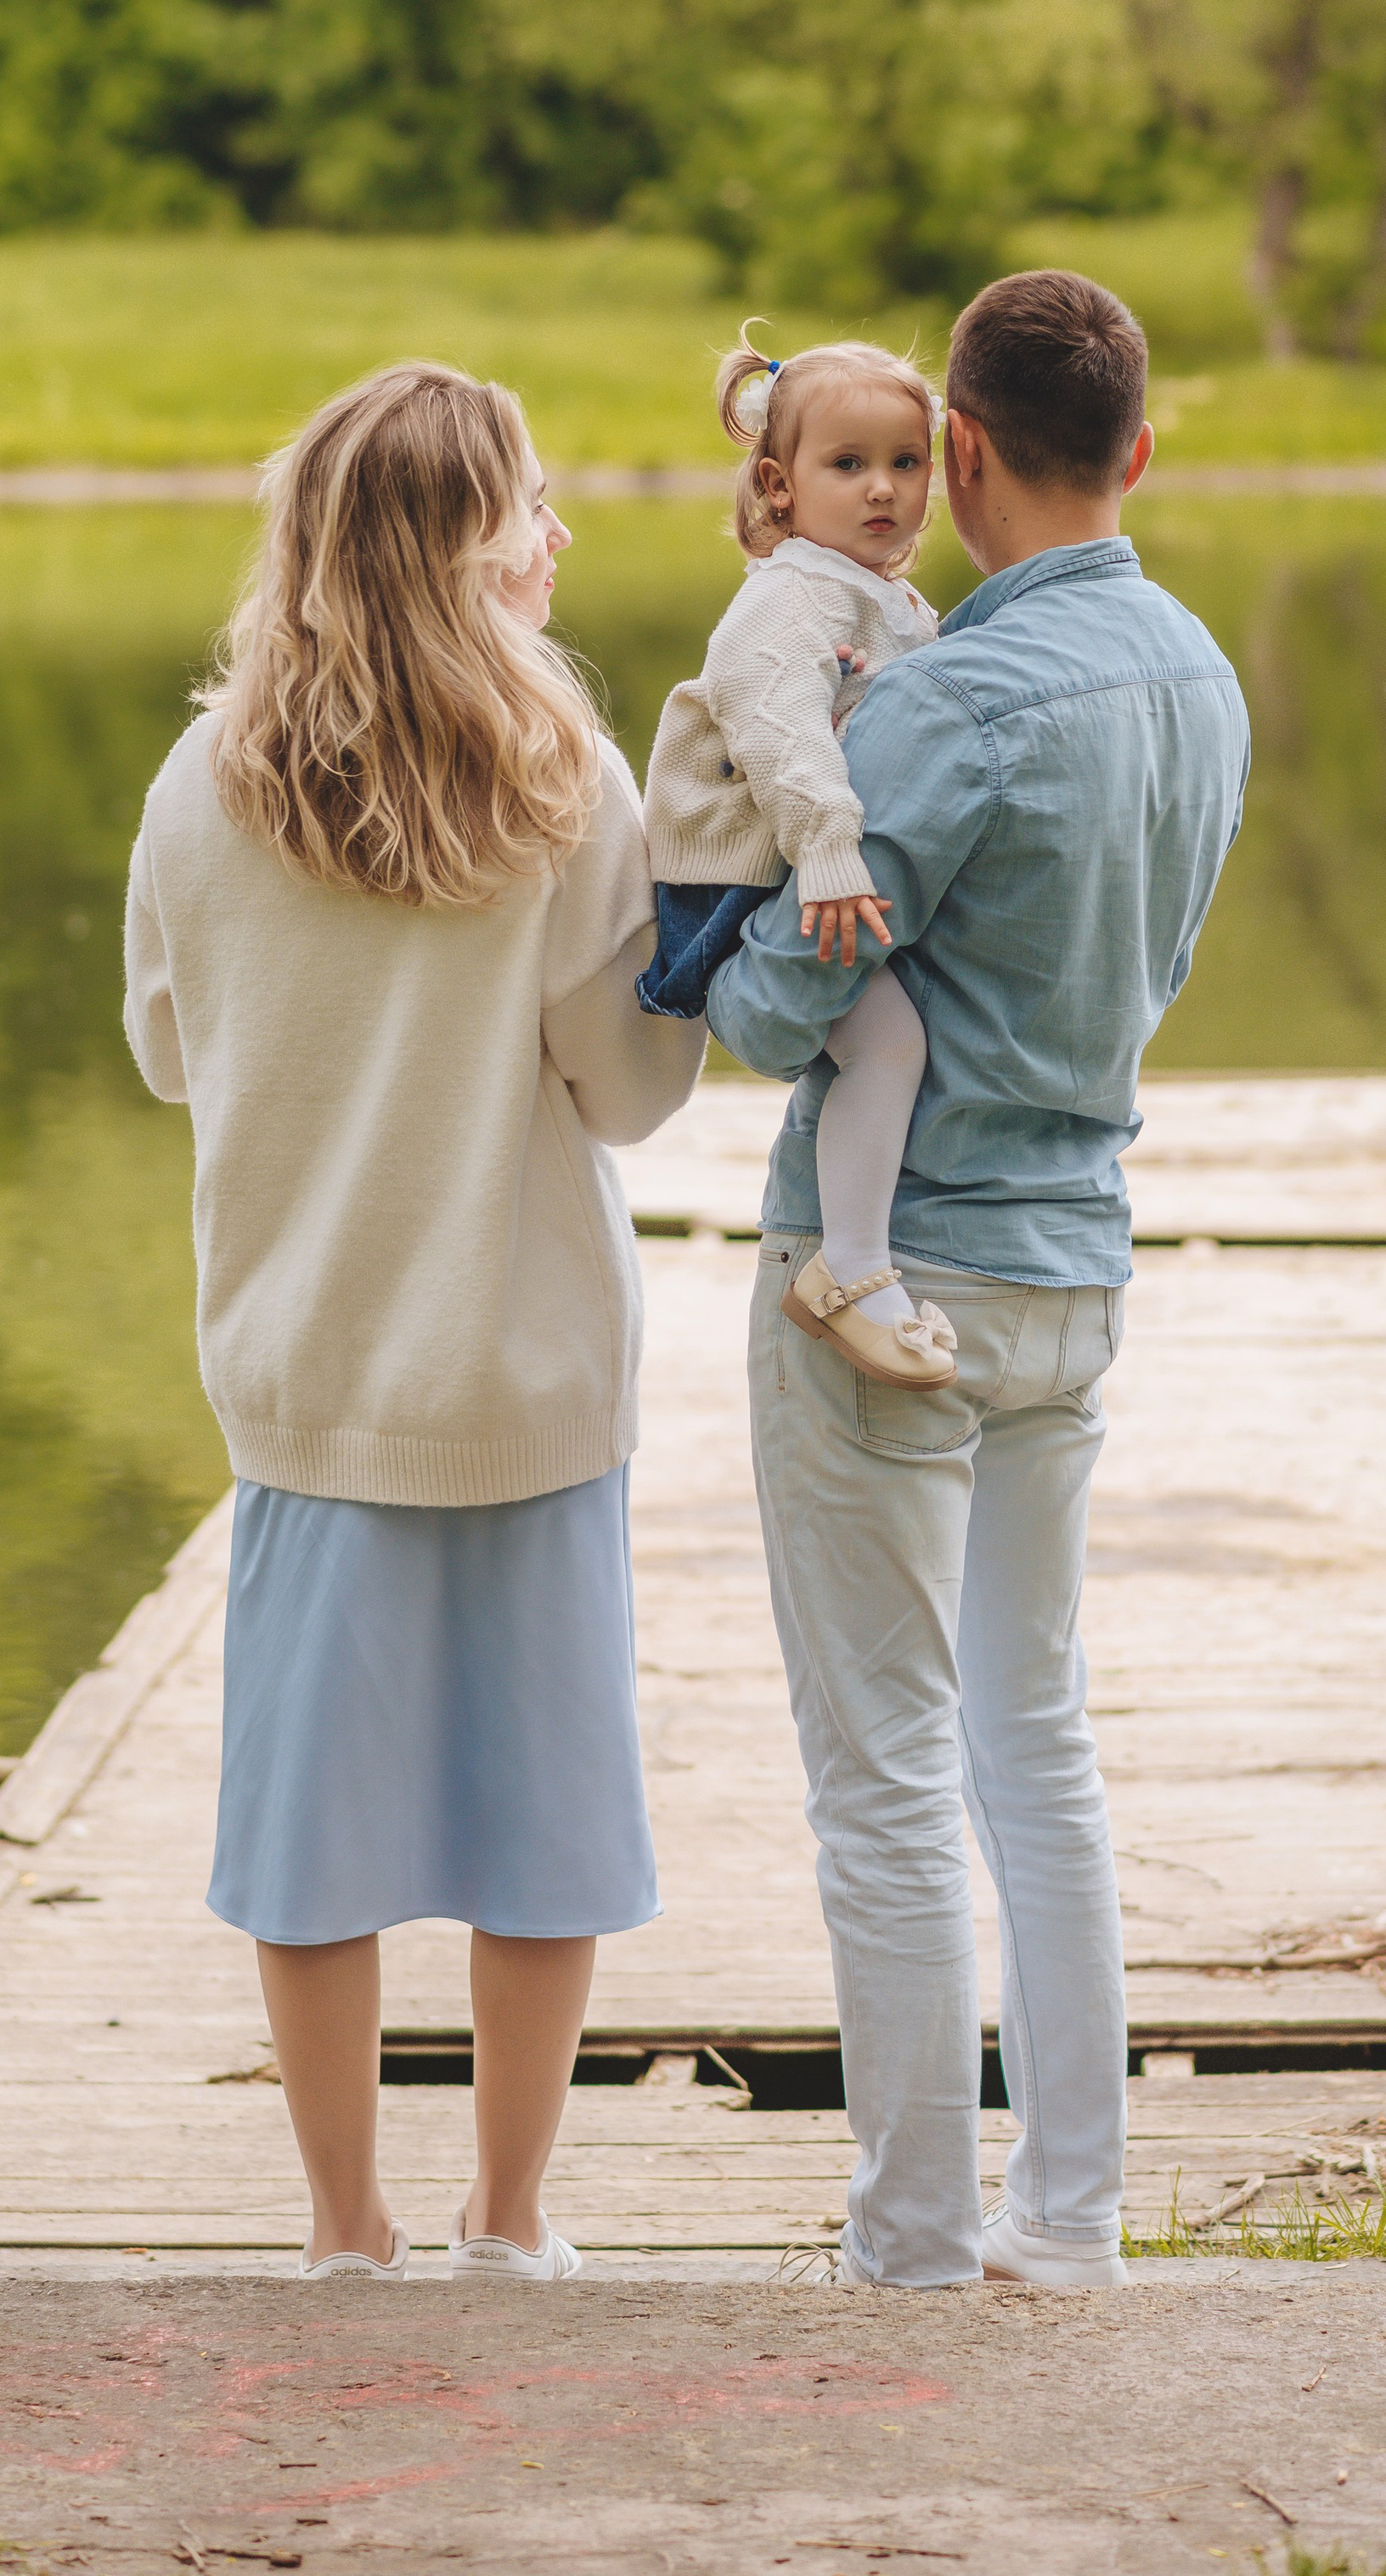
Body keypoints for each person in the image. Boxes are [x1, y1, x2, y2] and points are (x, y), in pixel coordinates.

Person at [122, 362, 703, 2284]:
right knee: (541, 1823)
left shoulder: (205, 780)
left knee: (310, 1832)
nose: (558, 532)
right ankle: (507, 2218)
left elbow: (158, 1047)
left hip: (308, 1382)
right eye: (530, 504)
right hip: (525, 1378)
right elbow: (619, 1092)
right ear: (470, 551)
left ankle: (341, 2225)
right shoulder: (565, 776)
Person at [706, 268, 1249, 2290]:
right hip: (1071, 1264)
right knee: (1038, 1741)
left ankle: (917, 2236)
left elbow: (779, 1006)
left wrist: (728, 917)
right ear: (1135, 447)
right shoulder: (1199, 669)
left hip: (890, 1279)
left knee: (888, 1773)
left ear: (950, 448)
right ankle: (1073, 2217)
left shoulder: (941, 695)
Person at [639, 332, 955, 1390]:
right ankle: (849, 1267)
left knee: (898, 1030)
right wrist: (828, 852)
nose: (882, 490)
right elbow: (778, 725)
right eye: (848, 464)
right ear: (777, 485)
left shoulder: (880, 597)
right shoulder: (791, 595)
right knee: (889, 1045)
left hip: (797, 862)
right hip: (740, 874)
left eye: (906, 464)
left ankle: (869, 1240)